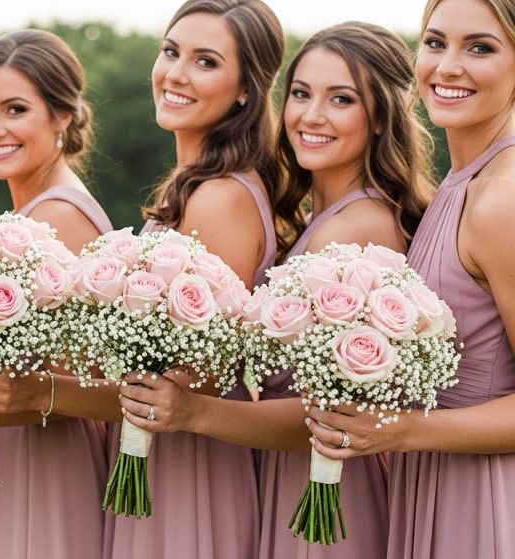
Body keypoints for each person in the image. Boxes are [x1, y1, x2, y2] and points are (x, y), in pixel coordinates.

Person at [305, 1, 515, 557]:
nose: (447, 66)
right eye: (435, 42)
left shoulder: (503, 199)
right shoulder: (458, 184)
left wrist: (402, 430)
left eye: (481, 47)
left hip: (484, 498)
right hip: (428, 480)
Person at [108, 2, 286, 557]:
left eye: (205, 61)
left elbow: (200, 377)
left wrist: (42, 394)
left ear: (244, 90)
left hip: (191, 464)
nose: (176, 73)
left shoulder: (220, 198)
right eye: (170, 52)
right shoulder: (193, 184)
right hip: (159, 449)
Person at [261, 22, 431, 558]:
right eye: (301, 93)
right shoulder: (330, 217)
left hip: (327, 494)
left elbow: (331, 416)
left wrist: (192, 413)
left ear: (379, 116)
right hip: (303, 478)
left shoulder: (354, 229)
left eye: (341, 99)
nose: (311, 116)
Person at [0, 29, 113, 559]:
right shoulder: (30, 216)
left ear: (62, 116)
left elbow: (92, 386)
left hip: (44, 466)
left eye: (14, 109)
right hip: (13, 456)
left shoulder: (60, 218)